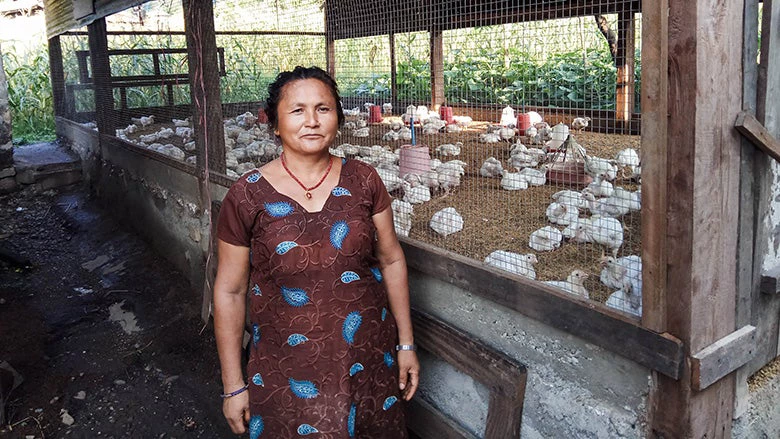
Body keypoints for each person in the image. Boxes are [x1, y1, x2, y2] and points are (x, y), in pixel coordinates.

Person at [213, 66, 419, 438]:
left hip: (368, 361)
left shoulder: (364, 179)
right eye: (297, 110)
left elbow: (391, 259)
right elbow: (229, 292)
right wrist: (234, 385)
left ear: (337, 118)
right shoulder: (246, 196)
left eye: (323, 109)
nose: (311, 121)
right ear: (275, 123)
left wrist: (405, 343)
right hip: (287, 371)